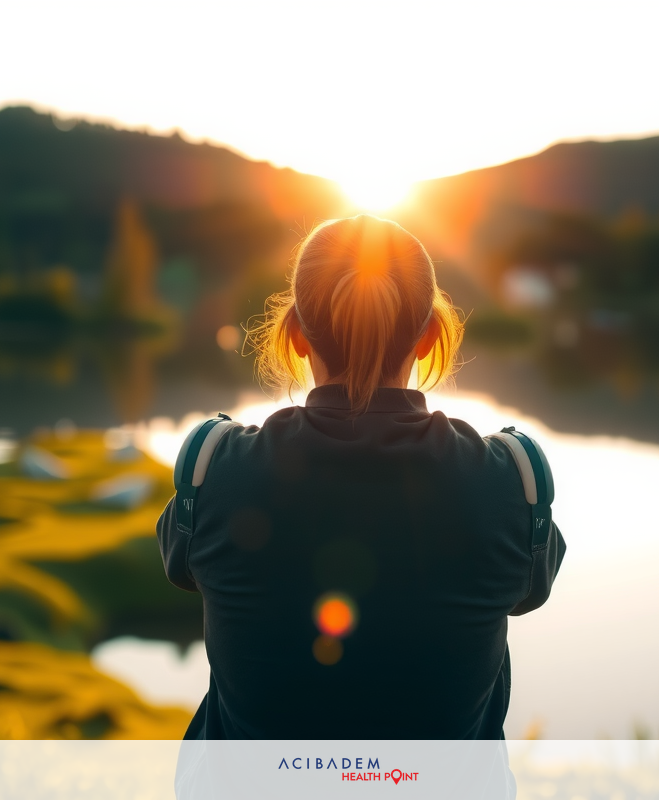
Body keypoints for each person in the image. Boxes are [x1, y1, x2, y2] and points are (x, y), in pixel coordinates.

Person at [157, 215, 565, 740]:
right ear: (431, 337)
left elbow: (179, 567)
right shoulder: (510, 485)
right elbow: (532, 590)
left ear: (296, 336)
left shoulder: (215, 471)